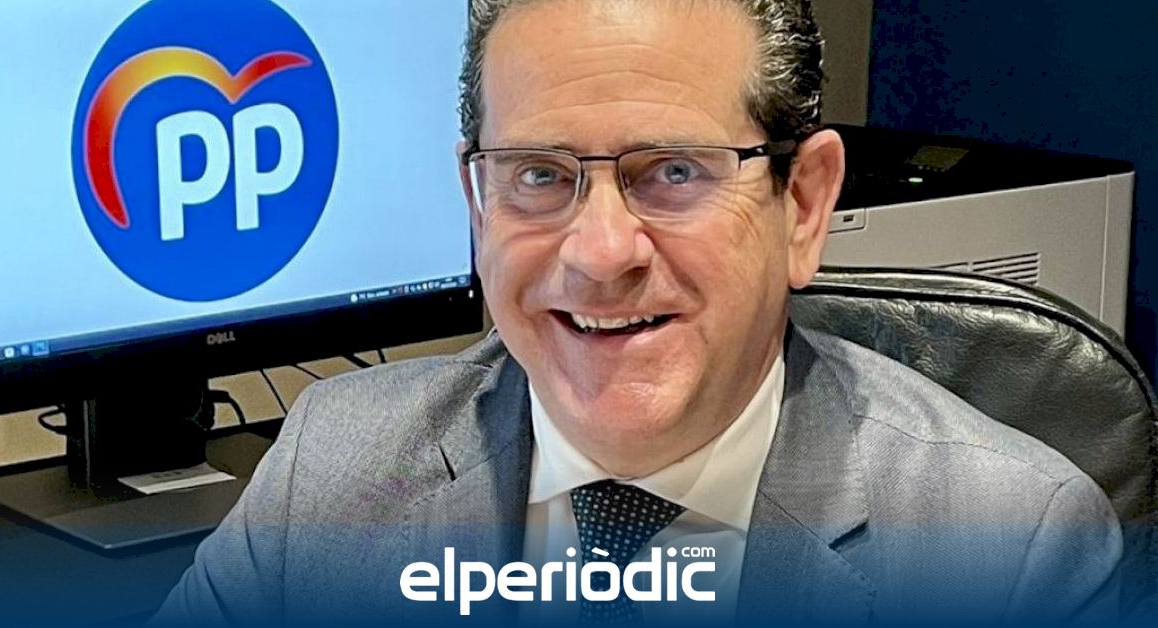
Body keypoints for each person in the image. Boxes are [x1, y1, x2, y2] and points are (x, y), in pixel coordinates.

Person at [154, 0, 1122, 625]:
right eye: (539, 175)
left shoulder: (1012, 544)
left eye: (674, 172)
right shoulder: (332, 470)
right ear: (477, 203)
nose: (600, 252)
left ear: (802, 204)